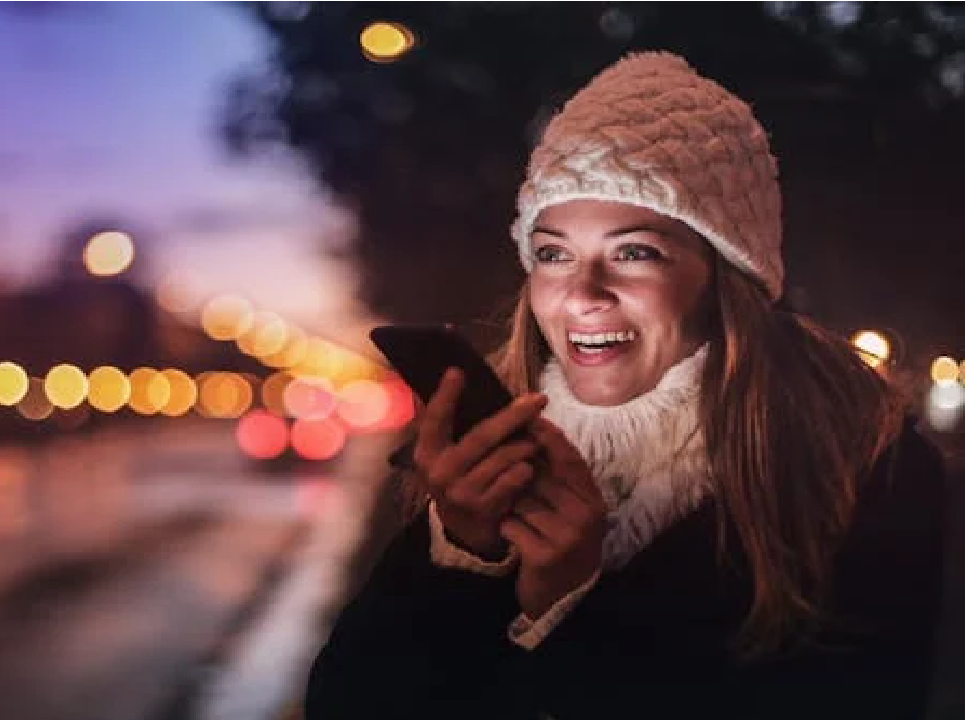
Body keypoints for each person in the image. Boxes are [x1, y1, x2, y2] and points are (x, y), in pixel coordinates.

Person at [304, 51, 947, 720]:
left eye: (634, 251)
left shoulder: (868, 470)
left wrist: (569, 605)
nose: (582, 295)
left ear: (726, 278)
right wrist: (463, 556)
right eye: (553, 253)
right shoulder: (485, 461)